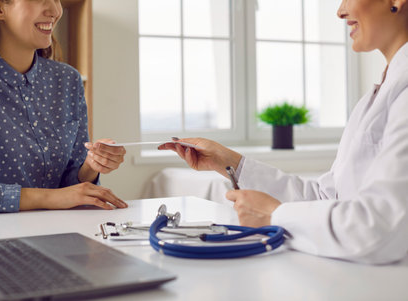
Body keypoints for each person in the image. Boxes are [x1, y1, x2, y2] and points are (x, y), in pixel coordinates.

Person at [159, 0, 408, 264]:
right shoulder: (380, 93)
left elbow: (380, 229)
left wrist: (274, 215)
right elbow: (327, 197)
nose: (340, 11)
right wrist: (230, 163)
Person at [0, 0, 128, 214]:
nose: (55, 11)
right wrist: (50, 198)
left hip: (60, 233)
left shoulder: (68, 81)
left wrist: (92, 166)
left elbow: (69, 183)